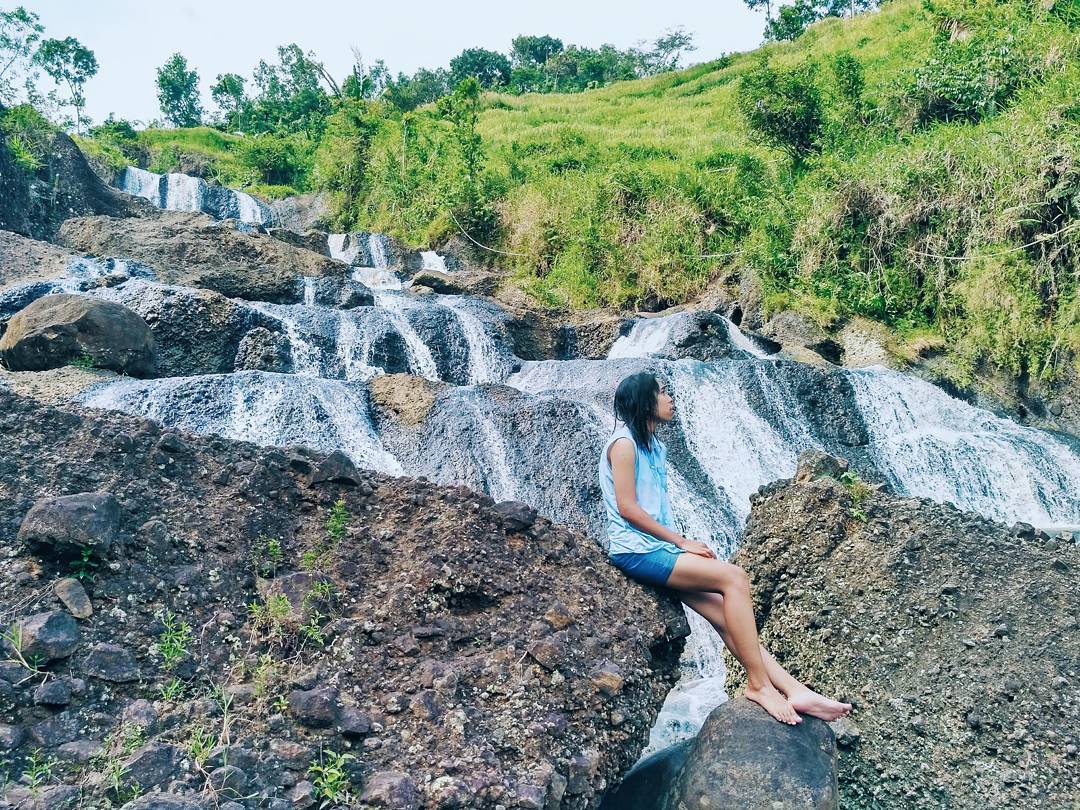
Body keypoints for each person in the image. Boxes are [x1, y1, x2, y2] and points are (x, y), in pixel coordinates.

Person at [599, 371, 852, 725]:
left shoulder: (653, 446)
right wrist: (682, 542)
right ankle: (759, 685)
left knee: (725, 617)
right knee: (734, 579)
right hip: (636, 551)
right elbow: (628, 508)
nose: (670, 398)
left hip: (656, 550)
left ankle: (794, 689)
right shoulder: (624, 444)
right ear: (645, 402)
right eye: (663, 392)